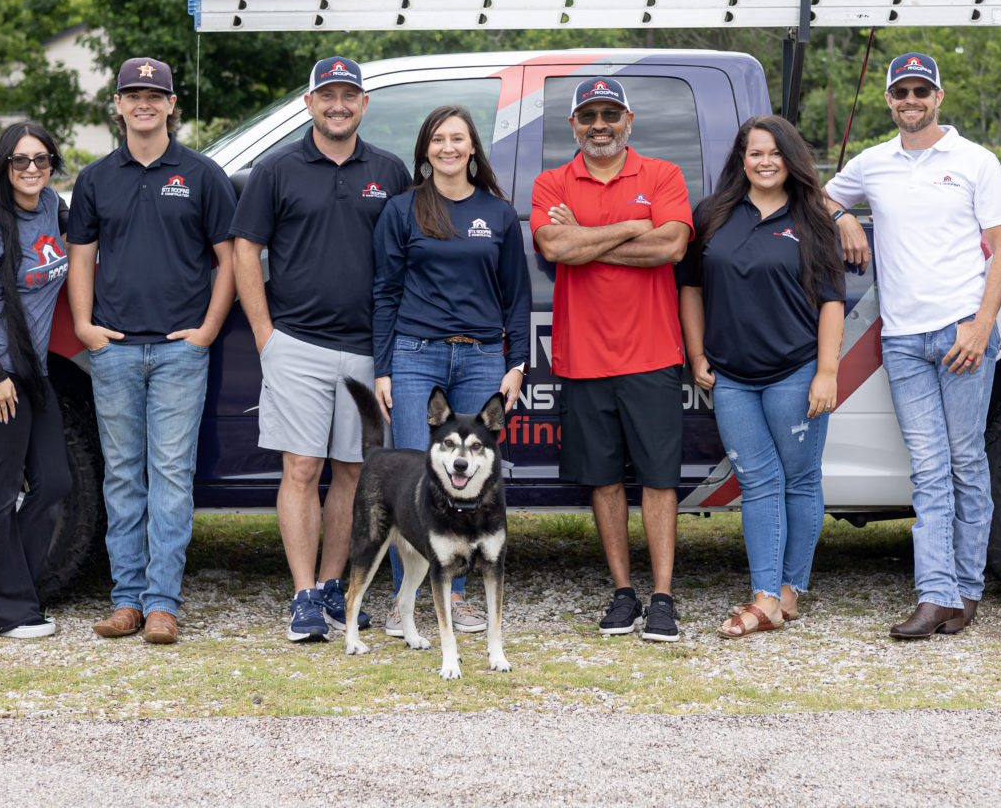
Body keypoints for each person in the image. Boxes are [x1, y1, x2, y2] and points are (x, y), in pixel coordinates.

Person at [825, 52, 1001, 639]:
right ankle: (936, 596)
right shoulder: (872, 163)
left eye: (921, 91)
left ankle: (966, 591)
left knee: (966, 463)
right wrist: (844, 217)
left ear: (938, 97)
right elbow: (817, 196)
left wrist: (981, 324)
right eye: (901, 92)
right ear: (889, 100)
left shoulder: (975, 160)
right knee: (929, 470)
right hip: (903, 341)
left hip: (963, 332)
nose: (911, 100)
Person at [230, 56, 410, 642]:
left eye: (348, 95)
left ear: (363, 104)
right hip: (297, 344)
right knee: (302, 468)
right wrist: (265, 335)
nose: (338, 105)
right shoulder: (275, 169)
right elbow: (245, 249)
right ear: (309, 103)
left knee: (354, 472)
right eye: (327, 95)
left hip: (366, 351)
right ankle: (304, 595)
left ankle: (334, 585)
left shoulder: (389, 170)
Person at [66, 56, 236, 646]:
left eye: (154, 95)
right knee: (122, 477)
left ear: (170, 105)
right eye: (133, 94)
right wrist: (84, 326)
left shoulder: (202, 174)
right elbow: (82, 258)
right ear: (117, 105)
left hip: (179, 352)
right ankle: (126, 602)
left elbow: (230, 260)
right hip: (113, 350)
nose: (144, 103)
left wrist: (207, 330)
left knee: (171, 476)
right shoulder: (95, 179)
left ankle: (162, 604)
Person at [530, 76, 693, 642]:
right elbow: (554, 246)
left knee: (658, 480)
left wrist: (587, 240)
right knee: (602, 481)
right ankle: (624, 593)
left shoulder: (662, 174)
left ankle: (663, 597)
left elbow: (672, 245)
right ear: (573, 124)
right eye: (589, 116)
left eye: (610, 114)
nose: (600, 125)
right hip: (582, 357)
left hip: (652, 352)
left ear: (629, 121)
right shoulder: (552, 181)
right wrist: (629, 228)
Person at [677, 116, 845, 637]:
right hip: (731, 377)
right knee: (756, 482)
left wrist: (826, 371)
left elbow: (831, 301)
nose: (765, 162)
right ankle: (767, 596)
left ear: (790, 160)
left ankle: (787, 593)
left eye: (775, 153)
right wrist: (696, 352)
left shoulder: (812, 218)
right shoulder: (713, 214)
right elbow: (691, 288)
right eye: (755, 153)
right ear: (742, 159)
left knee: (800, 479)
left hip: (796, 371)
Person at [372, 104, 532, 637]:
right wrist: (384, 367)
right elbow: (385, 292)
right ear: (425, 149)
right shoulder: (402, 210)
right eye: (438, 139)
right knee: (417, 480)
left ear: (472, 148)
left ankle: (457, 596)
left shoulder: (498, 213)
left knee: (471, 478)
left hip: (482, 357)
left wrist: (516, 363)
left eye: (457, 138)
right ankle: (404, 602)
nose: (448, 147)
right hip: (416, 356)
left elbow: (516, 296)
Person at [0, 122, 73, 638]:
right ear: (4, 166)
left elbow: (90, 232)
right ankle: (1, 614)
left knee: (55, 482)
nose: (31, 169)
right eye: (20, 160)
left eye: (41, 159)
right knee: (1, 488)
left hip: (32, 370)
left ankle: (13, 591)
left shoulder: (50, 205)